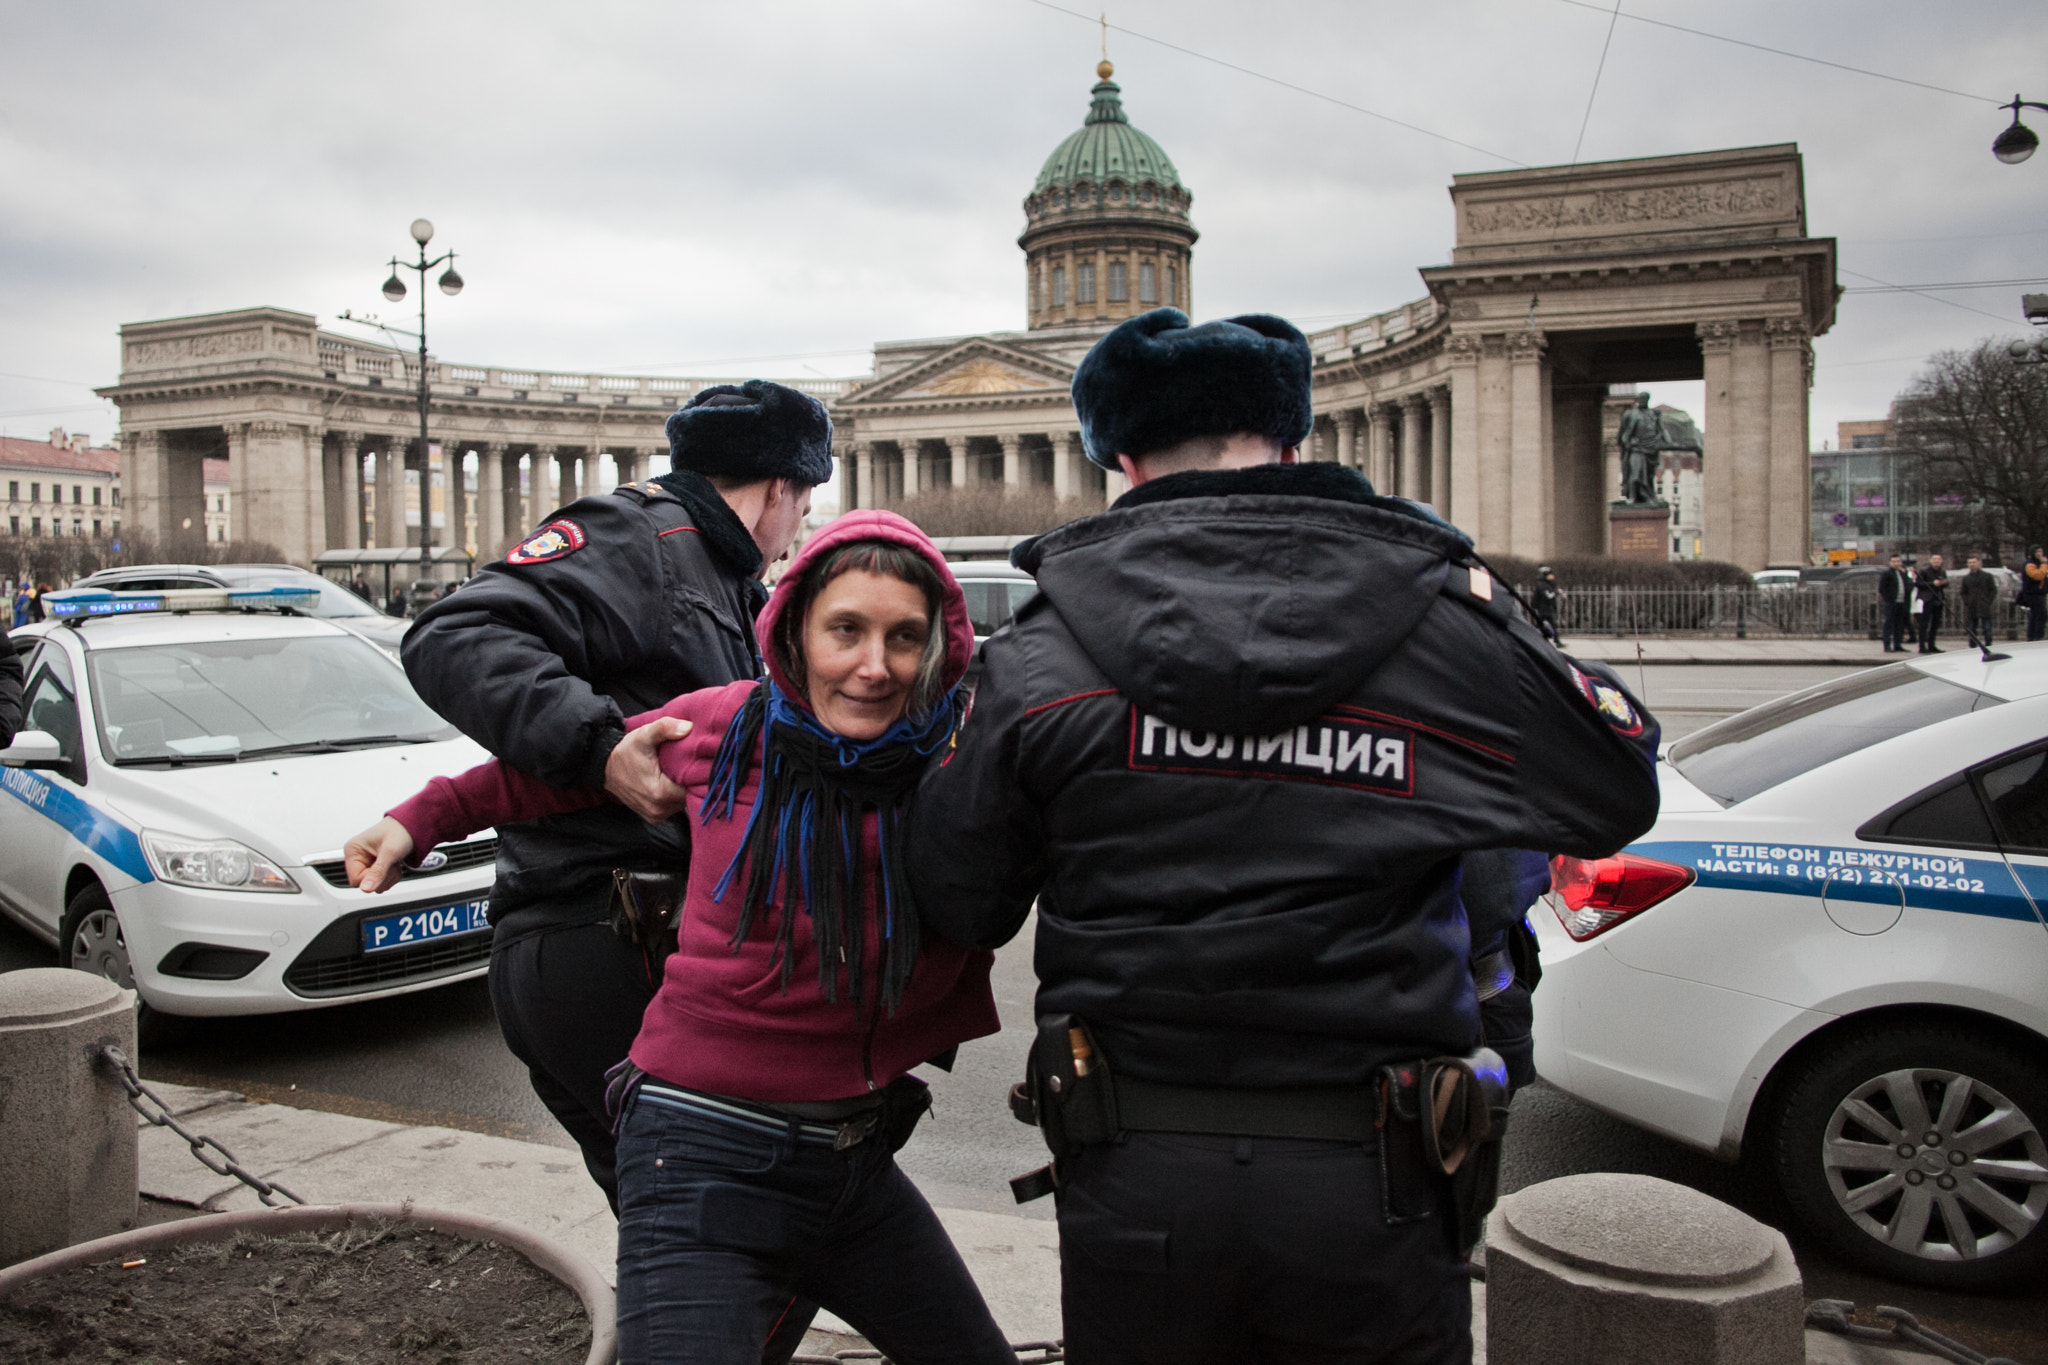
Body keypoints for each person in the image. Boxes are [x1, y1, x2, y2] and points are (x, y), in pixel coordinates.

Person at [907, 308, 1662, 1365]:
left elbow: (960, 899)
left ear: (1117, 458)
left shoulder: (1040, 652)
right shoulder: (1438, 617)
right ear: (1296, 442)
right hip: (1380, 1169)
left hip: (1134, 1161)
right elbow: (1611, 790)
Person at [347, 512, 1017, 1365]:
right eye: (846, 629)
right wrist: (421, 818)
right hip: (697, 1157)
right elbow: (559, 776)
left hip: (854, 1164)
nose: (873, 665)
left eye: (904, 637)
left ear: (939, 648)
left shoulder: (959, 755)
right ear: (797, 630)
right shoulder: (727, 726)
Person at [390, 380, 828, 1226]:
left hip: (617, 945)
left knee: (690, 1237)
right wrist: (598, 746)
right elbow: (452, 636)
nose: (798, 525)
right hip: (597, 937)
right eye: (803, 502)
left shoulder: (719, 574)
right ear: (780, 486)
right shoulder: (644, 536)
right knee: (733, 1228)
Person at [1960, 555, 1998, 651]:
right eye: (1970, 563)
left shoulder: (1987, 576)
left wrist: (1988, 600)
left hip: (1983, 604)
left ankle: (1988, 644)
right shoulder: (1966, 578)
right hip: (1972, 605)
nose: (1972, 565)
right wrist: (1967, 601)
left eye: (1974, 562)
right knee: (1972, 627)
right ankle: (1973, 645)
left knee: (1987, 627)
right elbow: (1963, 592)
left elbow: (1993, 590)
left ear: (1979, 563)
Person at [1877, 553, 1912, 653]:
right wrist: (1888, 599)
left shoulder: (1902, 573)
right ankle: (1887, 645)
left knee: (1899, 625)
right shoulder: (1887, 574)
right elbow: (1882, 588)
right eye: (1894, 562)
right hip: (1891, 602)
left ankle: (1898, 644)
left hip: (1901, 602)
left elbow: (1909, 585)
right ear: (1890, 563)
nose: (1897, 563)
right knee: (1889, 623)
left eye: (1898, 561)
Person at [1915, 552, 1949, 653]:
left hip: (1938, 599)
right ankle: (1922, 646)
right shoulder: (1924, 571)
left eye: (1938, 560)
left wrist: (1944, 583)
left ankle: (1931, 645)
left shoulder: (1942, 571)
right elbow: (1918, 583)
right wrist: (1932, 583)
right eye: (1934, 560)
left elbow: (1945, 583)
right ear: (1930, 561)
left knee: (1935, 624)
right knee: (1924, 624)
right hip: (1927, 600)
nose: (1936, 562)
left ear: (1941, 561)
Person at [2020, 547, 2047, 643]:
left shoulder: (2038, 563)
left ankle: (2034, 636)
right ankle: (2036, 636)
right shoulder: (2030, 564)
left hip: (2039, 593)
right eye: (2038, 551)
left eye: (2041, 551)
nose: (2040, 554)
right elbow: (2038, 576)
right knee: (2039, 615)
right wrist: (2044, 564)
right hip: (2033, 594)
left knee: (2036, 615)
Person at [1530, 565, 1560, 642]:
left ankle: (1554, 639)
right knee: (1551, 624)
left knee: (1540, 624)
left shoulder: (1546, 584)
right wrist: (1556, 593)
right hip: (1544, 609)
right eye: (1550, 574)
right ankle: (1556, 640)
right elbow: (1548, 596)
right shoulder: (1543, 586)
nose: (1552, 576)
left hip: (1544, 608)